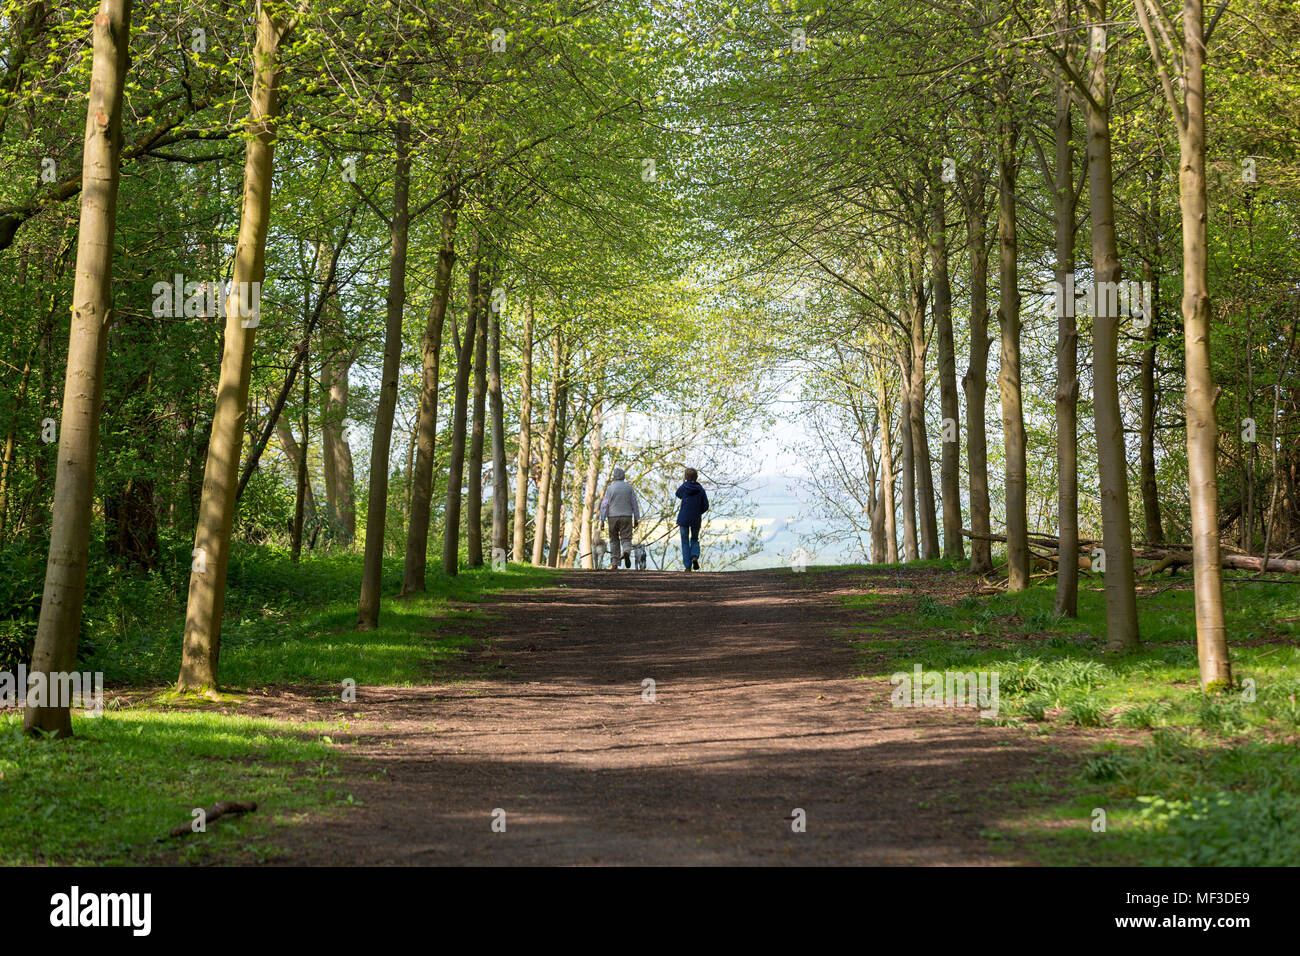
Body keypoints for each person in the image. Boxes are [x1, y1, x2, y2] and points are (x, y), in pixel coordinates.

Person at [599, 467, 641, 569]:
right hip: (626, 516)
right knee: (626, 538)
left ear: (614, 476)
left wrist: (602, 520)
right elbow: (634, 504)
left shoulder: (610, 488)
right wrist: (636, 518)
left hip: (612, 517)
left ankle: (614, 563)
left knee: (613, 539)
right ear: (623, 476)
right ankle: (626, 551)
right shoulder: (629, 488)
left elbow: (604, 505)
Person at [675, 467, 709, 571]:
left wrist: (684, 483)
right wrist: (698, 512)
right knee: (694, 539)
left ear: (685, 477)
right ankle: (694, 556)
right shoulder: (701, 490)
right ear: (697, 477)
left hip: (684, 518)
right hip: (695, 519)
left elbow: (677, 494)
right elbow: (706, 506)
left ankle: (687, 566)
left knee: (684, 541)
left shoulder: (684, 487)